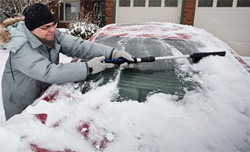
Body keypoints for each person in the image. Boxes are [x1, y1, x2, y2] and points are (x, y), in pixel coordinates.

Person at [0, 3, 134, 120]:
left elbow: (79, 46)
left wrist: (113, 53)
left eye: (53, 25)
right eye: (46, 27)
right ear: (31, 29)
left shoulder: (51, 35)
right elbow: (49, 72)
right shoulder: (20, 49)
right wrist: (89, 68)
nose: (52, 30)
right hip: (21, 100)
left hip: (42, 92)